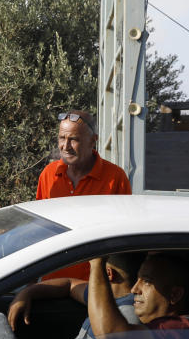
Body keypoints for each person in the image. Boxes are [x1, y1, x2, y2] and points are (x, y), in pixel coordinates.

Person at [0, 253, 144, 339]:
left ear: (108, 274)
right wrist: (27, 293)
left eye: (92, 269)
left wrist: (96, 264)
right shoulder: (104, 298)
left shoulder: (127, 317)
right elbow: (70, 285)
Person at [37, 110, 131, 280]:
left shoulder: (115, 177)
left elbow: (125, 235)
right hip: (52, 282)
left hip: (95, 286)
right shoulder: (48, 174)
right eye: (61, 138)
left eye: (73, 139)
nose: (65, 147)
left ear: (93, 141)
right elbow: (39, 230)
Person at [87, 253, 189, 339]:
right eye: (137, 280)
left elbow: (109, 337)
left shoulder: (178, 332)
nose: (134, 289)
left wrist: (96, 263)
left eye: (147, 282)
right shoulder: (147, 332)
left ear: (175, 294)